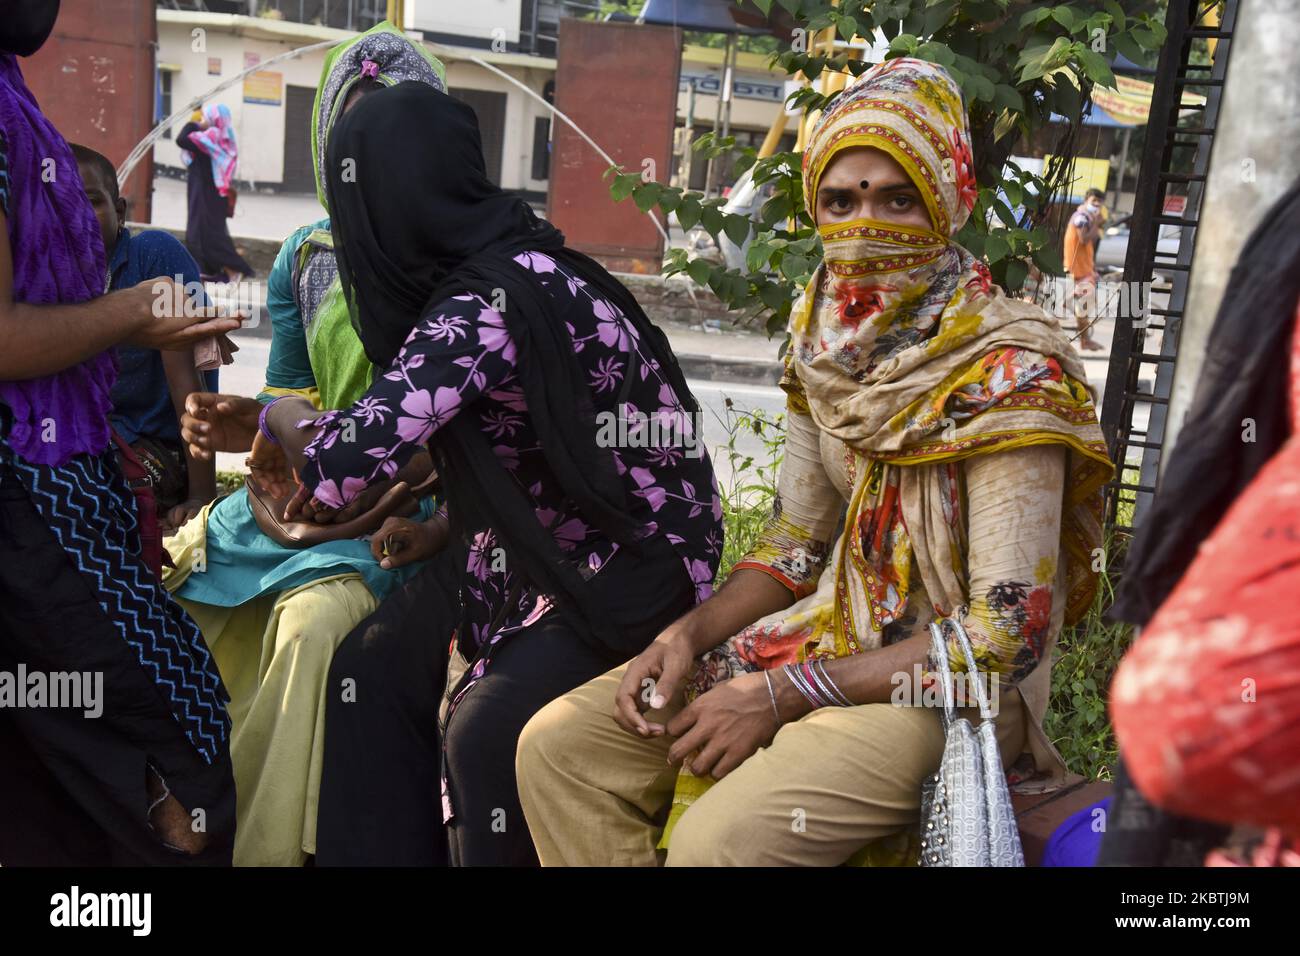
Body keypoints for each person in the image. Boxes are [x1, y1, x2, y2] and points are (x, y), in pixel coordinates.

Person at [514, 57, 1114, 867]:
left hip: (939, 693)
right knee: (559, 750)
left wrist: (778, 695)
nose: (866, 223)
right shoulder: (826, 346)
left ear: (945, 200)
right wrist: (686, 636)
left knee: (715, 845)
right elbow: (796, 540)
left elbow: (1006, 637)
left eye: (897, 197)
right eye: (842, 200)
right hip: (819, 637)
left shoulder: (1008, 371)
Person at [218, 81, 723, 867]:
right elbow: (504, 443)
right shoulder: (511, 265)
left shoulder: (489, 300)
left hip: (628, 566)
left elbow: (343, 464)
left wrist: (274, 414)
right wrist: (442, 525)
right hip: (536, 549)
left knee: (487, 725)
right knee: (372, 669)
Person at [167, 22, 449, 867]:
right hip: (308, 489)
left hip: (407, 505)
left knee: (310, 628)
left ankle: (255, 847)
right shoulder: (307, 254)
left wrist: (341, 456)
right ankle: (184, 806)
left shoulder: (457, 254)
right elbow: (294, 388)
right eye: (353, 133)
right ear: (330, 142)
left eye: (396, 128)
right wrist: (265, 419)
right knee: (180, 584)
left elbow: (460, 428)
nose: (372, 154)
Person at [0, 0, 241, 866]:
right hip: (31, 491)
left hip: (71, 474)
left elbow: (196, 396)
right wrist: (131, 313)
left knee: (43, 751)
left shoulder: (13, 100)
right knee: (179, 718)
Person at [73, 143, 219, 532]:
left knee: (92, 495)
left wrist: (202, 498)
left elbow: (189, 388)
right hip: (86, 441)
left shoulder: (152, 257)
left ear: (119, 212)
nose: (74, 217)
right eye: (57, 204)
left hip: (157, 448)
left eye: (90, 202)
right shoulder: (51, 279)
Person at [177, 102, 252, 282]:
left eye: (207, 117)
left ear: (213, 119)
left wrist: (195, 124)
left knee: (203, 233)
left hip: (205, 194)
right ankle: (221, 271)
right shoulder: (222, 137)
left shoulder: (212, 136)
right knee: (210, 233)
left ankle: (232, 269)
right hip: (210, 194)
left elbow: (181, 139)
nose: (204, 120)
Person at [1062, 187, 1106, 351]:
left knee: (1088, 303)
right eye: (1094, 201)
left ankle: (1068, 302)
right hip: (1077, 268)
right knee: (1086, 303)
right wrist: (1097, 223)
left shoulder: (1088, 217)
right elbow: (1083, 239)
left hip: (1085, 267)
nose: (1097, 205)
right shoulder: (1082, 217)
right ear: (1086, 200)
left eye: (1099, 202)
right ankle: (1085, 340)